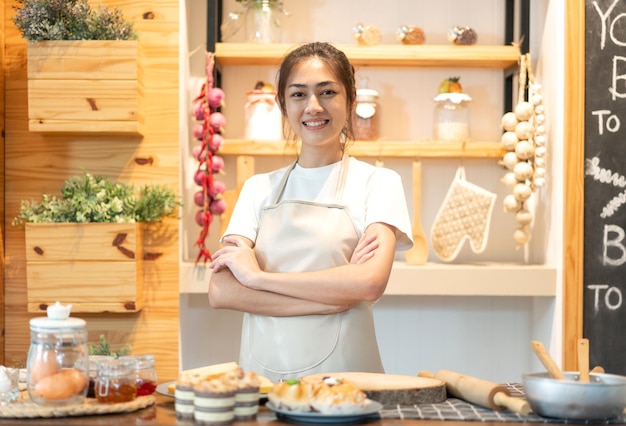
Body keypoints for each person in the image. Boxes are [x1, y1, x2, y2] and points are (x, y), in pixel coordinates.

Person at [208, 42, 413, 382]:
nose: (313, 107)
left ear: (351, 101)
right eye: (299, 94)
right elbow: (223, 290)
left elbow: (369, 283)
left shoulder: (378, 183)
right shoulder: (258, 189)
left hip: (349, 385)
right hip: (263, 386)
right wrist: (329, 298)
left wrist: (258, 279)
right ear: (283, 104)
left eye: (327, 91)